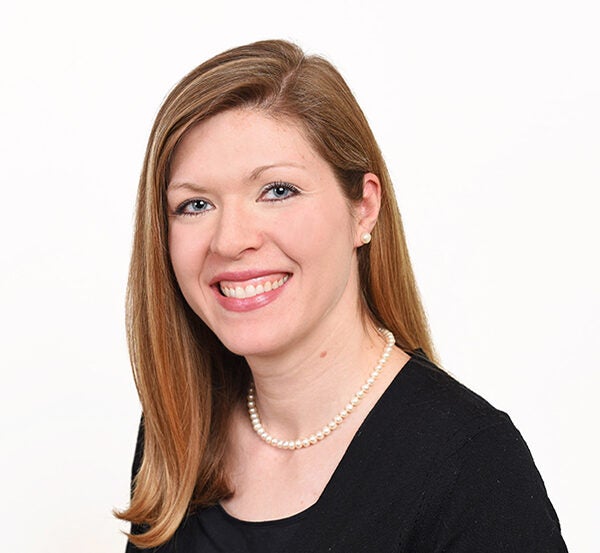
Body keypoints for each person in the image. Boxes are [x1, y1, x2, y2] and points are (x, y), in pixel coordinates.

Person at [117, 39, 568, 552]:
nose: (229, 239)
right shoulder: (179, 428)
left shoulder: (470, 464)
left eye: (277, 191)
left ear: (364, 209)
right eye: (195, 204)